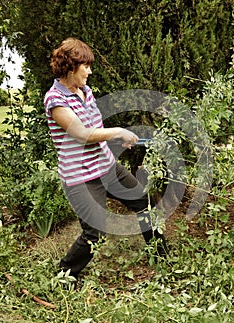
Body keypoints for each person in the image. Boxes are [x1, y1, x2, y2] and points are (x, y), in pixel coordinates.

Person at [44, 37, 167, 280]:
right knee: (94, 233)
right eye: (86, 66)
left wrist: (113, 139)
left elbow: (94, 129)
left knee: (144, 201)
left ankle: (161, 258)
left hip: (106, 166)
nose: (90, 71)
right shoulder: (55, 100)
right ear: (70, 66)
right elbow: (81, 133)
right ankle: (63, 276)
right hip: (81, 178)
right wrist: (118, 131)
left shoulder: (85, 91)